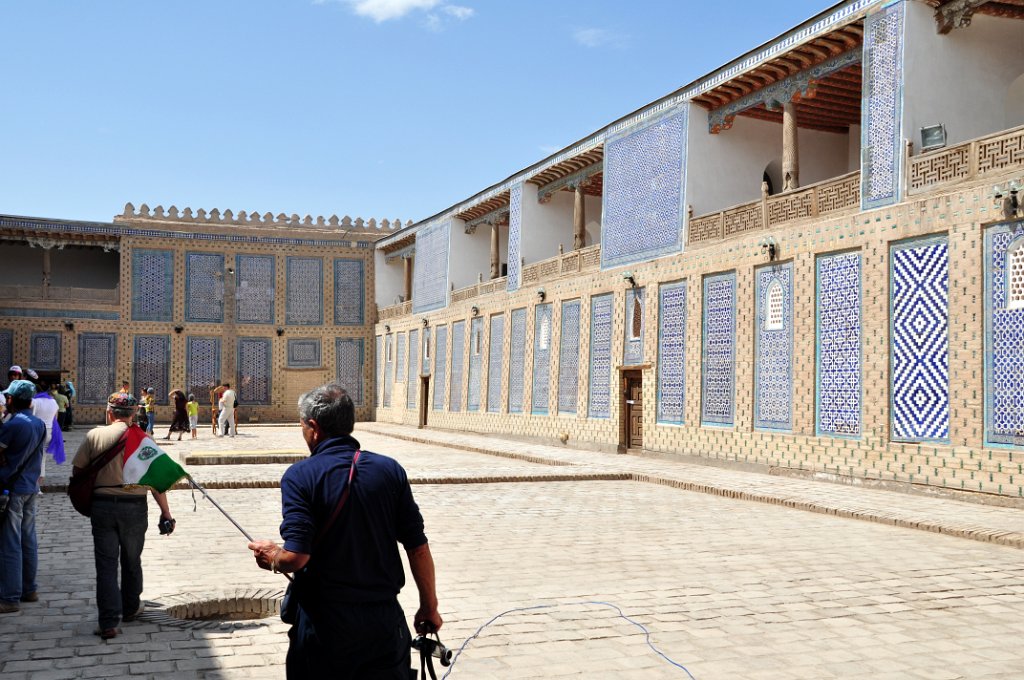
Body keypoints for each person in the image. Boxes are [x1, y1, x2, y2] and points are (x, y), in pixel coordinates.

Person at [248, 383, 442, 679]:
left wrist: (273, 557)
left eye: (302, 426)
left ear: (313, 427)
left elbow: (296, 557)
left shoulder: (301, 476)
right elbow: (418, 548)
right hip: (384, 623)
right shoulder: (390, 470)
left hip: (326, 627)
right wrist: (429, 608)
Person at [72, 393, 175, 640]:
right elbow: (156, 482)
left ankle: (108, 623)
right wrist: (166, 512)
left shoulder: (94, 435)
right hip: (134, 506)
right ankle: (130, 609)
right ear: (132, 415)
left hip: (103, 506)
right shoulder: (143, 439)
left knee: (106, 565)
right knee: (131, 560)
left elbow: (78, 471)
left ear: (109, 413)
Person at [0, 380, 47, 613]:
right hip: (30, 488)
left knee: (10, 542)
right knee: (28, 539)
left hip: (13, 489)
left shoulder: (13, 425)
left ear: (10, 399)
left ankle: (9, 597)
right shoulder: (39, 424)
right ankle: (29, 589)